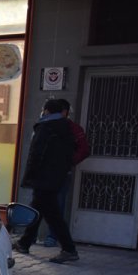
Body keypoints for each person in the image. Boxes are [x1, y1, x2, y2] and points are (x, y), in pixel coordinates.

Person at [13, 98, 79, 264]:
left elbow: (36, 154)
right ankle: (24, 242)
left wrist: (30, 176)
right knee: (39, 209)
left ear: (47, 111)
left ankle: (69, 249)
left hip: (43, 178)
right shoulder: (66, 128)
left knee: (52, 215)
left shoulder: (46, 127)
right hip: (55, 178)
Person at [43, 98, 89, 247]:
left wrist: (69, 162)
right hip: (44, 173)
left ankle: (54, 237)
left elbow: (84, 149)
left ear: (64, 112)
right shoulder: (45, 126)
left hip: (60, 174)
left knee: (57, 205)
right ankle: (29, 238)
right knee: (40, 204)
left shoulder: (73, 129)